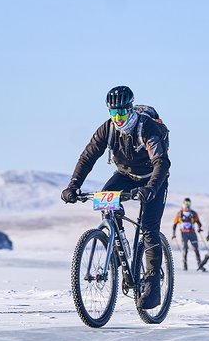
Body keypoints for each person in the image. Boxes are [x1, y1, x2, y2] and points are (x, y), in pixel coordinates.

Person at [61, 85, 171, 310]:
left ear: (130, 109)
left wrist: (150, 188)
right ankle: (118, 243)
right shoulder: (107, 129)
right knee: (106, 201)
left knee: (149, 229)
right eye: (113, 113)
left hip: (152, 178)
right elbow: (87, 157)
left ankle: (151, 279)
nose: (118, 118)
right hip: (124, 175)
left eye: (122, 113)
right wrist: (73, 186)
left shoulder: (147, 128)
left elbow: (161, 162)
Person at [172, 197, 205, 271]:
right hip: (184, 234)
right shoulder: (179, 214)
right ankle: (185, 265)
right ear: (183, 204)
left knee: (196, 249)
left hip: (192, 233)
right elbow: (174, 225)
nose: (187, 205)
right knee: (185, 249)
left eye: (188, 204)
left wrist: (199, 228)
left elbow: (199, 223)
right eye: (186, 204)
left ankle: (200, 265)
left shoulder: (193, 213)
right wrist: (173, 234)